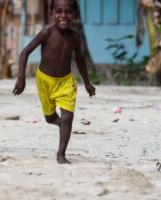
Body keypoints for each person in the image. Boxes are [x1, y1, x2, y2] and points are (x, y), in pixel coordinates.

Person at [13, 0, 96, 164]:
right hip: (44, 80)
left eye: (68, 12)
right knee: (50, 118)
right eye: (58, 12)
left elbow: (80, 58)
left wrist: (87, 82)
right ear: (51, 14)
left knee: (68, 117)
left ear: (75, 15)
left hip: (66, 82)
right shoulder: (46, 33)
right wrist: (21, 78)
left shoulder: (75, 35)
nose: (63, 16)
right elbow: (25, 52)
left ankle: (61, 153)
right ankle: (61, 125)